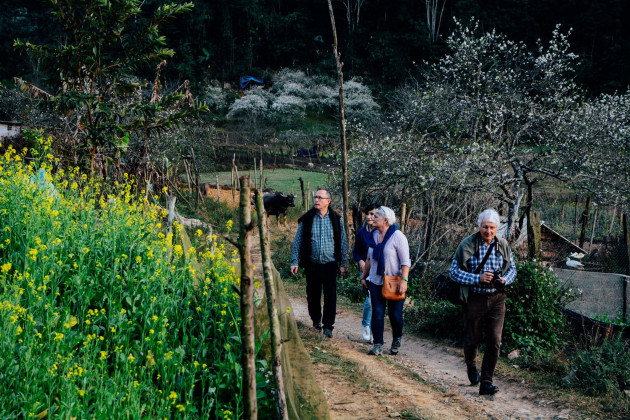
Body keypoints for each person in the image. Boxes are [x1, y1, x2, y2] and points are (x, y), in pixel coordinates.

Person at [449, 208, 517, 396]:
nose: (488, 231)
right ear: (479, 226)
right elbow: (453, 272)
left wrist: (505, 280)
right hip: (474, 298)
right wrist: (477, 278)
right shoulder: (466, 245)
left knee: (495, 339)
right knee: (473, 339)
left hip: (497, 298)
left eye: (492, 227)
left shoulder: (503, 245)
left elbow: (512, 269)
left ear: (497, 229)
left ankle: (486, 382)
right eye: (485, 227)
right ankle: (471, 364)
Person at [291, 188, 348, 338]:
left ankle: (328, 326)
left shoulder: (337, 219)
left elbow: (343, 243)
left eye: (319, 198)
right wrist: (294, 261)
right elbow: (297, 241)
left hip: (330, 264)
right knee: (312, 295)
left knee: (330, 296)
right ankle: (316, 320)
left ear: (328, 201)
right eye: (315, 197)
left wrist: (343, 263)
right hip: (312, 264)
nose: (316, 200)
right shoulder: (307, 218)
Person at [360, 206, 410, 356]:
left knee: (395, 315)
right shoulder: (373, 235)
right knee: (377, 313)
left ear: (386, 220)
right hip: (376, 280)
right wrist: (364, 276)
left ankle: (397, 338)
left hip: (394, 281)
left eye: (376, 216)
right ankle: (378, 344)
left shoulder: (398, 236)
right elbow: (369, 259)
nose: (372, 219)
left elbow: (405, 261)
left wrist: (404, 280)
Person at [352, 203, 380, 343]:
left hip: (379, 271)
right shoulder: (362, 232)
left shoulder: (381, 232)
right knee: (370, 300)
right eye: (367, 214)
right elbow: (355, 252)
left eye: (372, 214)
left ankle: (375, 331)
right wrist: (361, 262)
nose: (369, 217)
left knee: (376, 301)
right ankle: (366, 325)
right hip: (365, 270)